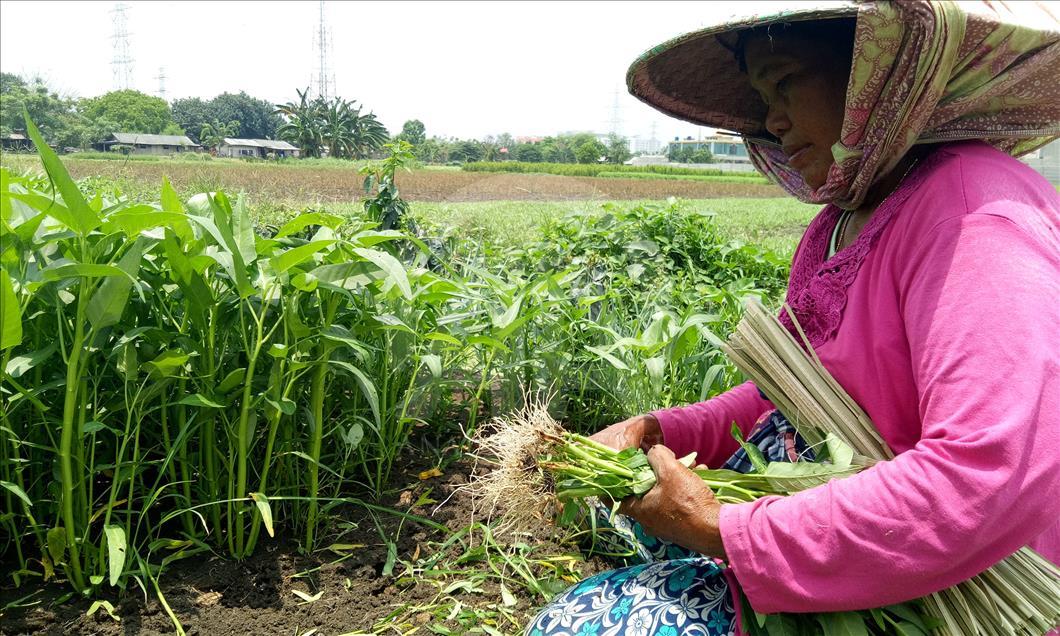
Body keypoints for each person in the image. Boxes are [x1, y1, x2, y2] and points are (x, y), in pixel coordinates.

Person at [526, 2, 1060, 635]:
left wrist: (724, 528)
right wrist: (659, 428)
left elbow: (983, 478)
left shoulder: (973, 218)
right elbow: (789, 396)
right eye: (761, 96)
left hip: (940, 586)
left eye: (785, 82)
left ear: (875, 78)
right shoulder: (839, 224)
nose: (773, 121)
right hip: (843, 542)